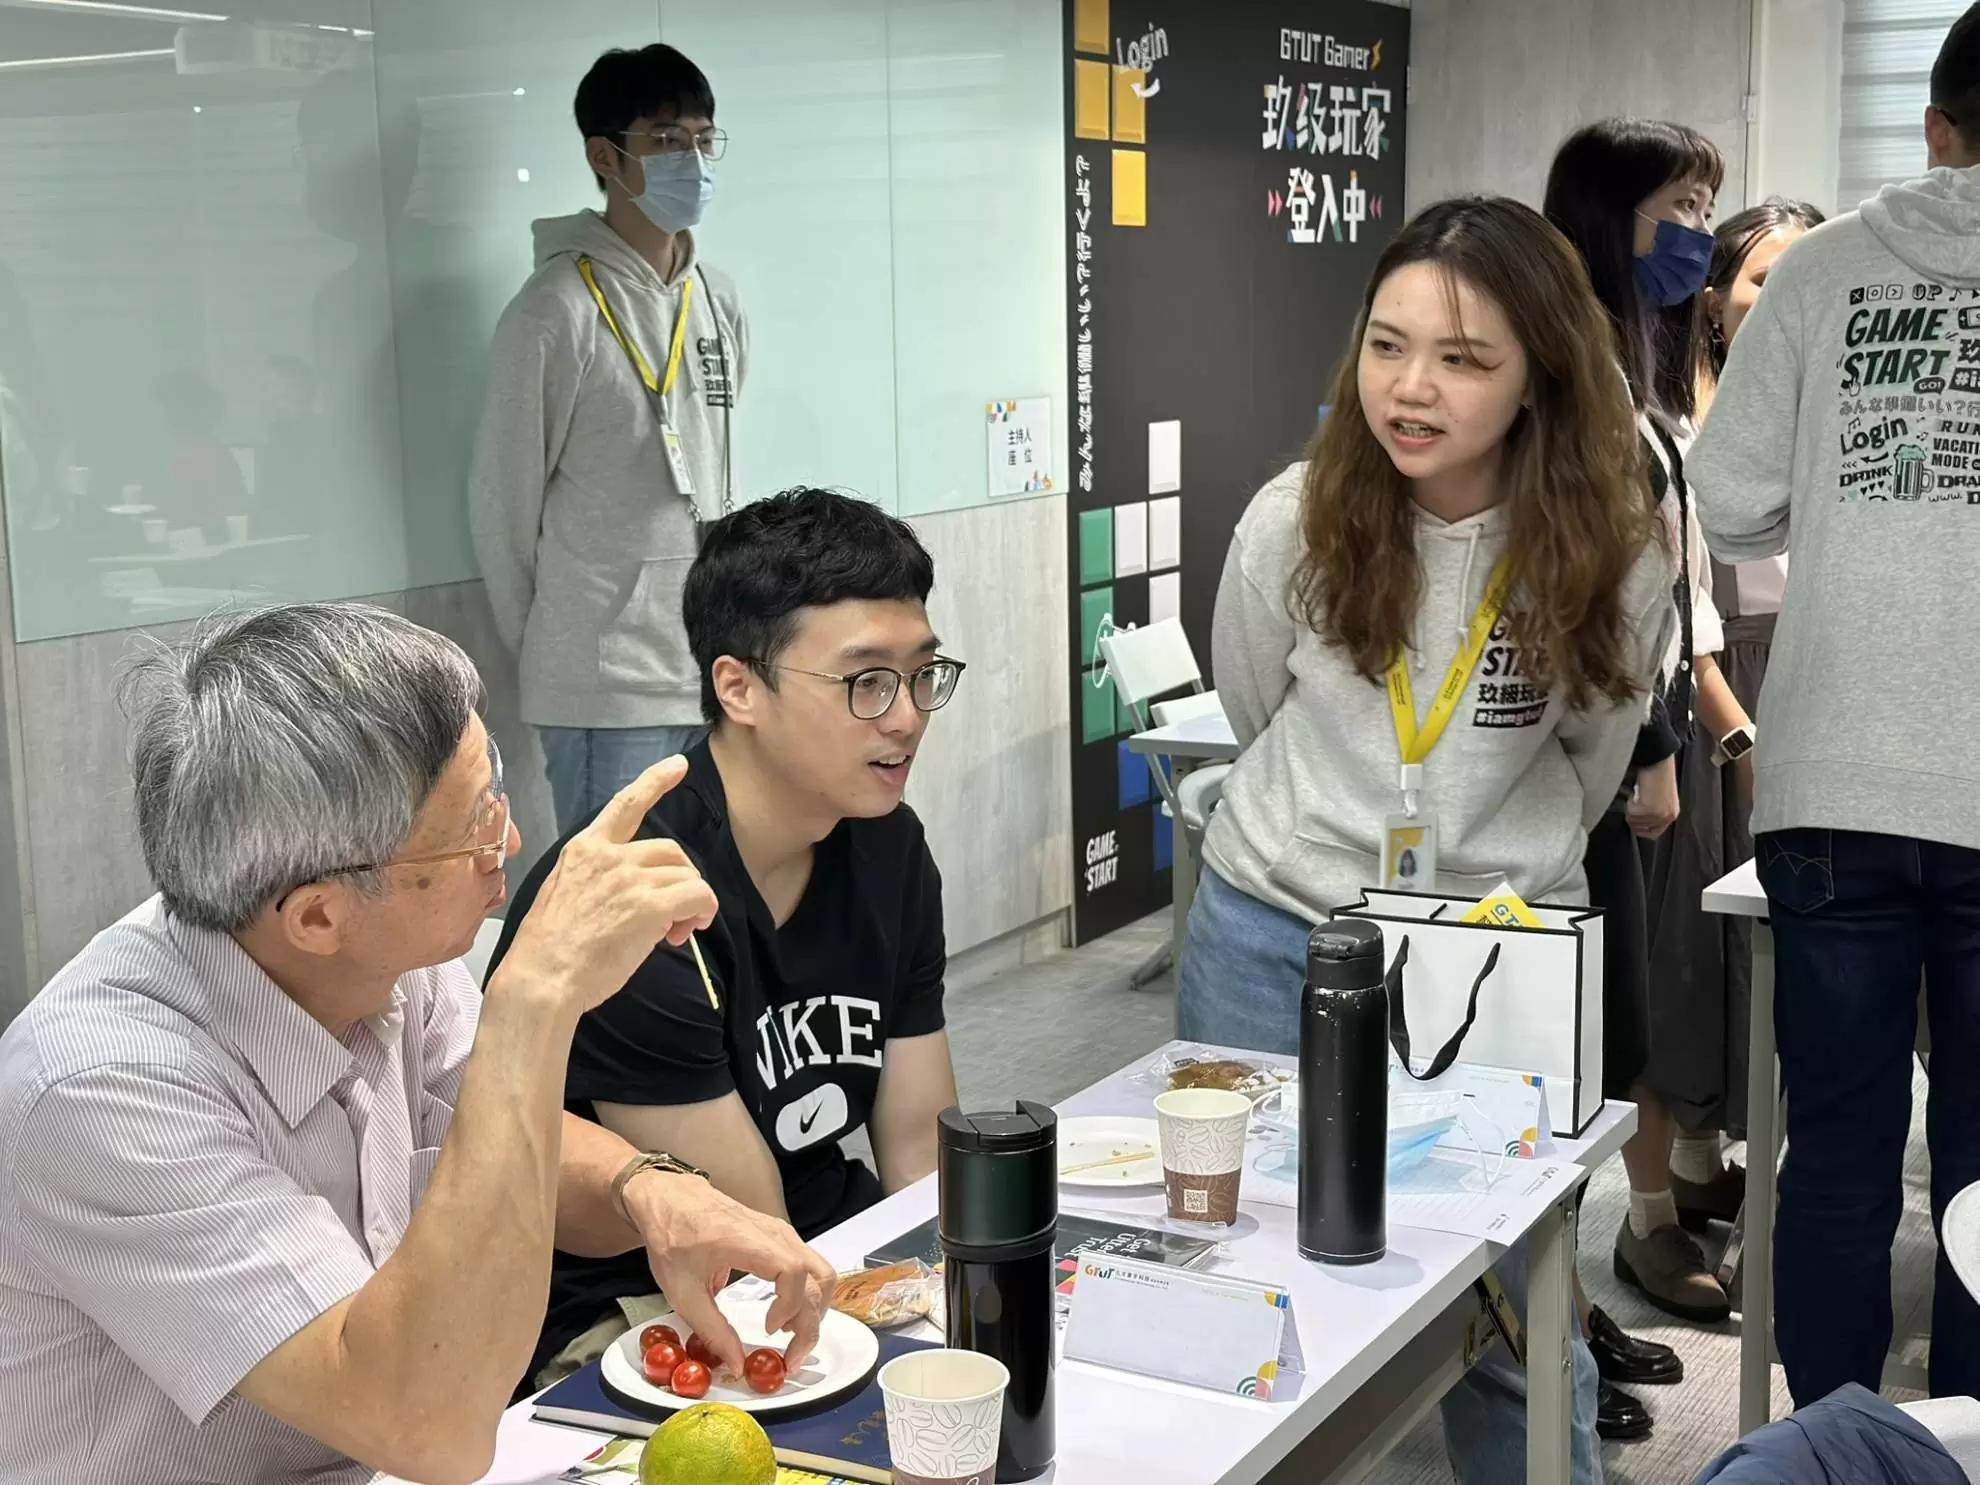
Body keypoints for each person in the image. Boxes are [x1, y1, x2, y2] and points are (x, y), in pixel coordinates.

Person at [0, 604, 834, 1485]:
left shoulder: (382, 957)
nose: (509, 841)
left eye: (494, 790)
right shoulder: (99, 1091)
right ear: (318, 915)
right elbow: (430, 1430)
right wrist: (534, 999)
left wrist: (648, 1190)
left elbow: (501, 1145)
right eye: (474, 828)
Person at [1179, 195, 1675, 1485]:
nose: (1411, 388)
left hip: (1497, 951)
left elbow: (1596, 755)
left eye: (1463, 359)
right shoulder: (1295, 516)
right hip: (1274, 926)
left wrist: (1479, 850)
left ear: (1539, 376)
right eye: (1388, 346)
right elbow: (1254, 707)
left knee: (1512, 1303)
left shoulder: (1614, 545)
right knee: (1241, 1261)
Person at [492, 488, 964, 1386]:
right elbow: (743, 1231)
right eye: (866, 681)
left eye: (921, 674)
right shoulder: (639, 891)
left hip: (822, 1242)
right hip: (646, 1306)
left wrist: (960, 1292)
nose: (906, 715)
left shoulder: (890, 847)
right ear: (738, 686)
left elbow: (915, 1148)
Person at [1690, 2, 1980, 1407]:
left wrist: (1858, 502)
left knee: (1840, 1146)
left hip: (1831, 781)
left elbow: (1731, 501)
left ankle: (1832, 1449)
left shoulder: (1822, 271)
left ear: (1933, 129)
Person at [1543, 123, 1742, 1430]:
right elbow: (1588, 596)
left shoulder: (1635, 368)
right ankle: (1543, 1328)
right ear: (1611, 214)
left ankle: (1559, 1306)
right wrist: (1660, 750)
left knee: (1600, 1054)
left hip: (1625, 752)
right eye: (1681, 207)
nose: (1697, 236)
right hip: (1583, 773)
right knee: (1565, 1061)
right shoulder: (1567, 374)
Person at [469, 44, 747, 835]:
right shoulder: (553, 310)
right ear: (604, 155)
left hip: (706, 664)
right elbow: (502, 502)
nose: (692, 159)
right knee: (612, 891)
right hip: (603, 686)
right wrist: (559, 648)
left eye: (704, 138)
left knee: (695, 888)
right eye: (666, 139)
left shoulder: (715, 299)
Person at [1652, 199, 1827, 1213]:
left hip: (1808, 675)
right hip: (1716, 693)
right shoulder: (1678, 411)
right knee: (1699, 942)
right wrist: (1736, 727)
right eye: (1764, 275)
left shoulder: (1829, 385)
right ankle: (1691, 1167)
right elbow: (1685, 607)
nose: (1785, 290)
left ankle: (1758, 1174)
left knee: (1785, 945)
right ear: (1715, 298)